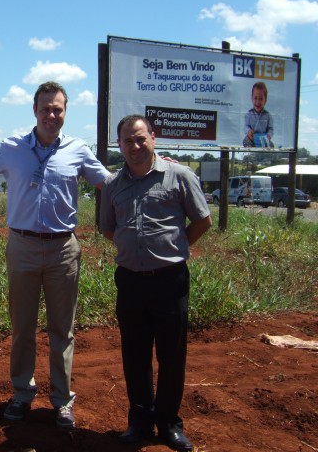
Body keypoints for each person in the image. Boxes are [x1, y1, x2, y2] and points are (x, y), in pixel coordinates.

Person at [0, 81, 109, 429]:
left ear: (65, 112)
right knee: (22, 326)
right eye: (45, 109)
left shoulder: (78, 150)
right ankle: (22, 392)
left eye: (58, 109)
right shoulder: (13, 148)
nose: (52, 115)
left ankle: (62, 400)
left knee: (62, 329)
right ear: (35, 111)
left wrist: (151, 165)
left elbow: (108, 183)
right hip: (22, 246)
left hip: (63, 249)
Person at [99, 115, 212, 452]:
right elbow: (108, 228)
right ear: (119, 145)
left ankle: (169, 424)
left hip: (169, 281)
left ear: (153, 137)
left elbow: (202, 220)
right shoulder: (112, 184)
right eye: (127, 141)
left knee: (171, 355)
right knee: (134, 354)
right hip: (130, 282)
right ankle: (139, 421)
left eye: (140, 139)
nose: (135, 146)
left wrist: (175, 247)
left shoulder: (179, 175)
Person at [243, 81, 273, 147]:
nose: (258, 101)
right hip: (252, 138)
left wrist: (269, 135)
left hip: (263, 139)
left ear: (265, 100)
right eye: (255, 98)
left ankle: (263, 152)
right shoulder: (249, 114)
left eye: (261, 99)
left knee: (271, 145)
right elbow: (246, 126)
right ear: (252, 98)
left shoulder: (268, 115)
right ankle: (251, 152)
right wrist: (248, 131)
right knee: (245, 141)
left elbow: (270, 129)